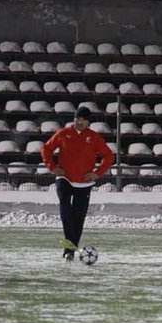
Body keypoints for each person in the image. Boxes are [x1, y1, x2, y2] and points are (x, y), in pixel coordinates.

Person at [40, 105, 114, 260]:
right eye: (77, 118)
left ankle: (70, 251)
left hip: (84, 182)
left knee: (78, 217)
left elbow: (108, 156)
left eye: (83, 119)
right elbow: (46, 149)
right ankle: (69, 247)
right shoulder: (63, 133)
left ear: (88, 122)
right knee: (65, 206)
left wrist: (96, 173)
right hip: (64, 178)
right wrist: (52, 167)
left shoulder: (94, 137)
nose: (79, 122)